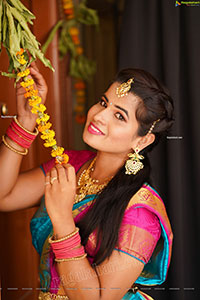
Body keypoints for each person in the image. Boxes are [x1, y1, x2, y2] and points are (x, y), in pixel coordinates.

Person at [0, 66, 174, 300]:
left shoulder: (140, 211)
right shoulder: (71, 165)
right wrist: (25, 123)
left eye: (119, 116)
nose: (99, 115)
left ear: (143, 140)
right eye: (103, 103)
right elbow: (4, 196)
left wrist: (62, 219)